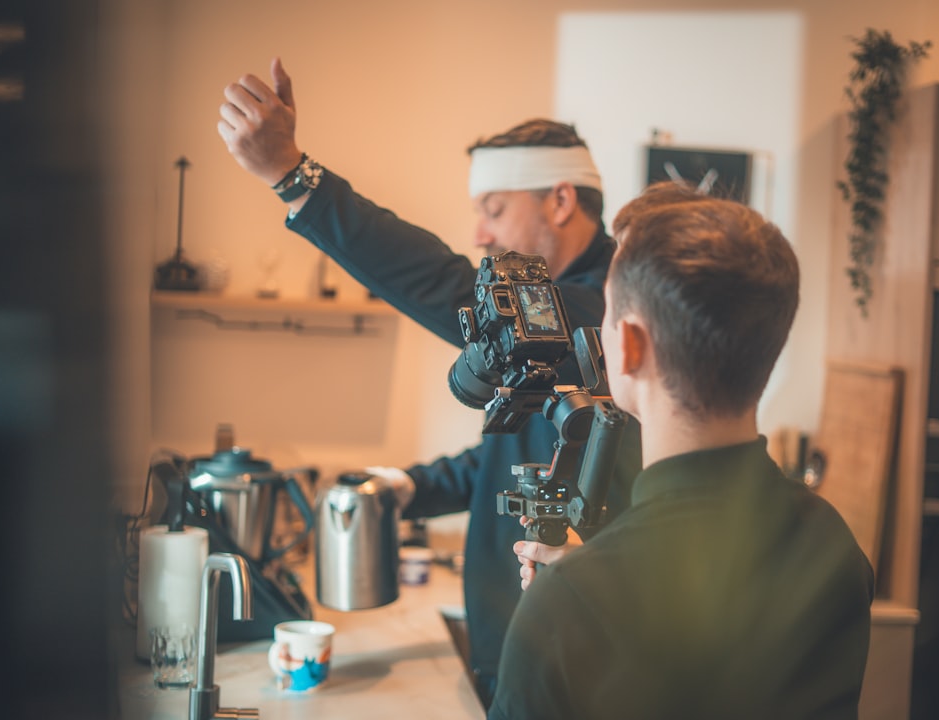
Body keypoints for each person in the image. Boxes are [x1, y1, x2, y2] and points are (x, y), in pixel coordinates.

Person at [217, 57, 641, 707]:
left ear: (560, 200)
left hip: (566, 668)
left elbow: (447, 286)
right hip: (512, 646)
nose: (479, 235)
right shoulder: (561, 336)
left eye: (493, 209)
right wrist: (411, 485)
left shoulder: (601, 310)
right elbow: (514, 454)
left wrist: (296, 179)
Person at [489, 183, 875, 720]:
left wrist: (575, 599)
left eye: (606, 310)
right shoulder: (835, 547)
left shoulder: (566, 606)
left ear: (629, 346)